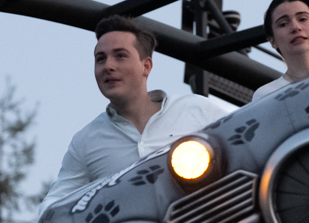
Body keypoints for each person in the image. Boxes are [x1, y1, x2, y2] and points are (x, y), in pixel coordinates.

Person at [39, 15, 228, 210]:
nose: (108, 66)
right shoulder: (85, 141)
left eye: (120, 56)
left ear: (146, 66)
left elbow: (242, 148)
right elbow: (51, 210)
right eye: (100, 59)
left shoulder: (196, 109)